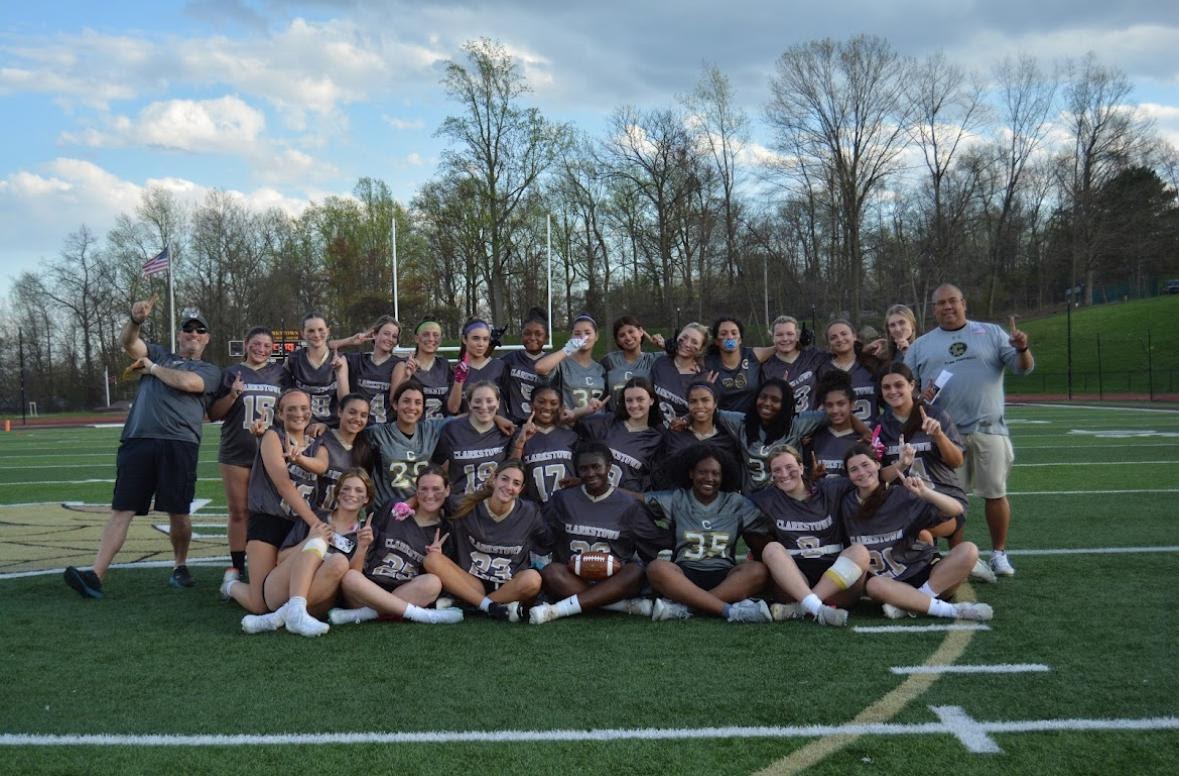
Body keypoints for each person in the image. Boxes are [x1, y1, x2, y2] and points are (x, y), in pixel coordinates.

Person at [65, 299, 221, 598]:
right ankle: (95, 576)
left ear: (207, 338)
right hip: (138, 439)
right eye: (188, 330)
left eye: (199, 330)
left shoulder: (211, 370)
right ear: (180, 335)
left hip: (180, 443)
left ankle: (180, 565)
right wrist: (135, 321)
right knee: (122, 509)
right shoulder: (161, 352)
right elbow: (129, 344)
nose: (193, 334)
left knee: (178, 511)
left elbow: (189, 383)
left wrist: (152, 369)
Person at [904, 283, 1034, 577]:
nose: (947, 307)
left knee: (995, 492)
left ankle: (999, 553)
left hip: (989, 429)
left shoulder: (991, 333)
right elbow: (905, 386)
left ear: (964, 303)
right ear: (933, 309)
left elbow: (1022, 368)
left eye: (952, 301)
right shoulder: (922, 344)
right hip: (943, 436)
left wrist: (1023, 348)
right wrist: (919, 398)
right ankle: (950, 558)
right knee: (944, 501)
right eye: (940, 303)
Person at [838, 443, 993, 621]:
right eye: (854, 469)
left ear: (878, 465)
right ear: (848, 476)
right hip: (888, 584)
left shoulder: (899, 495)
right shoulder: (844, 503)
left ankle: (913, 603)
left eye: (866, 465)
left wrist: (926, 493)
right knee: (874, 586)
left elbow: (956, 509)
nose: (862, 472)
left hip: (925, 575)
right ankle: (950, 610)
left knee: (969, 550)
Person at [220, 388, 332, 632]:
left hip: (297, 525)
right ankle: (230, 586)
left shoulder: (318, 443)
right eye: (291, 409)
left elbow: (322, 466)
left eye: (303, 408)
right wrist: (315, 522)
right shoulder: (273, 437)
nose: (298, 413)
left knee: (282, 593)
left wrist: (300, 459)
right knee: (260, 605)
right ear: (280, 414)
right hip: (269, 521)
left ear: (311, 411)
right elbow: (283, 485)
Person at [639, 446, 773, 623]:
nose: (709, 478)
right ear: (691, 473)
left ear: (723, 476)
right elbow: (634, 499)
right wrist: (604, 490)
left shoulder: (737, 503)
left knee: (758, 570)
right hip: (683, 573)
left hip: (724, 575)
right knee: (657, 568)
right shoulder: (676, 499)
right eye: (702, 472)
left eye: (715, 473)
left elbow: (767, 530)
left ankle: (686, 607)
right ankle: (730, 610)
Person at [239, 468, 377, 637]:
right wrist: (308, 540)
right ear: (338, 493)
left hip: (320, 600)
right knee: (317, 542)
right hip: (281, 588)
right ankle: (289, 611)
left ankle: (280, 617)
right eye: (346, 488)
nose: (351, 494)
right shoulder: (315, 517)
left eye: (358, 490)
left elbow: (353, 580)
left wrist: (362, 547)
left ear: (366, 499)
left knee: (339, 561)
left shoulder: (364, 532)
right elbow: (281, 559)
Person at [529, 441, 655, 624]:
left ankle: (557, 610)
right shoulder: (562, 499)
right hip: (572, 578)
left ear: (609, 467)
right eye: (584, 469)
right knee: (551, 572)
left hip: (614, 580)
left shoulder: (628, 505)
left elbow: (653, 543)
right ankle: (618, 606)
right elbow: (546, 540)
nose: (590, 474)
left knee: (635, 571)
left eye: (596, 467)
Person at [327, 466, 464, 625]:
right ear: (416, 491)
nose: (429, 495)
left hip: (404, 591)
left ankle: (364, 615)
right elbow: (357, 570)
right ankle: (423, 615)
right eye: (424, 489)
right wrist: (362, 546)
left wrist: (435, 560)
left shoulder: (445, 531)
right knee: (350, 577)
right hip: (365, 588)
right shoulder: (394, 509)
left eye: (436, 489)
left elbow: (438, 579)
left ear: (447, 490)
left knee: (433, 582)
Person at [750, 445, 868, 626]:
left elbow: (871, 478)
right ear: (771, 475)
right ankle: (817, 608)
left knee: (860, 551)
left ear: (801, 467)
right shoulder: (765, 499)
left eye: (789, 467)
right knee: (771, 549)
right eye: (777, 470)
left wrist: (900, 465)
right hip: (794, 580)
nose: (784, 473)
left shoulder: (828, 488)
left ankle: (803, 608)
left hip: (835, 579)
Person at [422, 459, 551, 621]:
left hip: (508, 585)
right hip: (472, 583)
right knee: (432, 559)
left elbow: (547, 541)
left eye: (516, 483)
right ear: (494, 479)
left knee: (533, 579)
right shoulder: (465, 504)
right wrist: (408, 504)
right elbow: (434, 498)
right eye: (504, 479)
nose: (509, 486)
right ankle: (490, 607)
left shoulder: (529, 512)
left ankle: (474, 606)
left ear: (521, 489)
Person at [207, 326, 286, 578]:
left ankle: (269, 561)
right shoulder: (231, 373)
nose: (261, 349)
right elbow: (213, 414)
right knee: (239, 511)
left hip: (270, 452)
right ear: (246, 344)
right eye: (256, 344)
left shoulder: (280, 373)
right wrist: (232, 395)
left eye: (266, 345)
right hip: (237, 451)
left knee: (272, 509)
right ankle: (237, 565)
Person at [431, 381, 517, 504]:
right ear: (469, 404)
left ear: (498, 403)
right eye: (477, 401)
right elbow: (437, 466)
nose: (483, 406)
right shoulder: (451, 430)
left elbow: (513, 469)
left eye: (489, 401)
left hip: (493, 504)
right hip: (460, 504)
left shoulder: (507, 432)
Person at [576, 377, 664, 492]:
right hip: (593, 498)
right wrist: (584, 411)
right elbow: (567, 423)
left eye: (640, 399)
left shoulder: (656, 439)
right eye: (629, 400)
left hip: (625, 504)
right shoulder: (608, 421)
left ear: (651, 400)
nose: (634, 405)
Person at [512, 385, 578, 504]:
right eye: (541, 401)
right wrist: (520, 444)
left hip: (566, 508)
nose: (547, 407)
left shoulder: (571, 436)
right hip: (532, 509)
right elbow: (509, 471)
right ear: (531, 404)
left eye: (553, 403)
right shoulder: (519, 435)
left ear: (561, 407)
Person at [332, 315, 402, 425]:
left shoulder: (398, 364)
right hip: (357, 426)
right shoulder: (356, 360)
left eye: (394, 336)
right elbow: (322, 346)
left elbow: (395, 402)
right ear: (374, 334)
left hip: (383, 428)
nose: (390, 339)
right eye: (386, 333)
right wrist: (351, 340)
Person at [535, 312, 606, 417]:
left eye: (587, 333)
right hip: (569, 426)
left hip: (597, 427)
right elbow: (540, 367)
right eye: (577, 334)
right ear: (571, 336)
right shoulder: (562, 365)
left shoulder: (600, 369)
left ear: (596, 336)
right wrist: (566, 350)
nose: (583, 337)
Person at [285, 312, 345, 427]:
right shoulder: (293, 359)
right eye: (311, 331)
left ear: (328, 331)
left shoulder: (340, 359)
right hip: (301, 427)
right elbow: (284, 395)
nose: (317, 335)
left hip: (331, 427)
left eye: (321, 329)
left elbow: (345, 400)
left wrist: (339, 373)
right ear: (303, 333)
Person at [815, 319, 881, 424]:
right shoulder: (822, 370)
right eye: (833, 337)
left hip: (870, 434)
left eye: (844, 334)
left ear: (854, 336)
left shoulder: (871, 364)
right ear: (828, 344)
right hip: (837, 436)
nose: (840, 339)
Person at [760, 315, 827, 415]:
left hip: (813, 421)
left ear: (798, 336)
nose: (785, 338)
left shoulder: (812, 356)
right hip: (784, 424)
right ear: (772, 338)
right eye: (779, 335)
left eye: (790, 334)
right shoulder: (766, 368)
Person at [599, 315, 665, 409]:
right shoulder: (609, 361)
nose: (628, 337)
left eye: (631, 331)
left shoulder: (655, 359)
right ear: (617, 341)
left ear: (641, 331)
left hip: (647, 420)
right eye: (622, 335)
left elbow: (685, 355)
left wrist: (664, 345)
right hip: (615, 420)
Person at [649, 322, 709, 424]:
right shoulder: (660, 363)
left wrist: (685, 420)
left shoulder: (703, 376)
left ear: (701, 349)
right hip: (657, 431)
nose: (687, 343)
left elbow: (706, 411)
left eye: (694, 342)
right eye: (684, 337)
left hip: (687, 435)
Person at [391, 320, 451, 420]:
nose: (431, 339)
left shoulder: (445, 365)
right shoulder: (403, 365)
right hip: (414, 429)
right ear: (416, 338)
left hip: (440, 428)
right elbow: (393, 402)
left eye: (435, 335)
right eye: (426, 334)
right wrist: (407, 376)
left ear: (440, 340)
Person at [499, 307, 551, 423]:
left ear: (546, 337)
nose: (532, 338)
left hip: (544, 425)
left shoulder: (552, 361)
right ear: (521, 335)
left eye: (538, 334)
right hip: (516, 424)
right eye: (527, 333)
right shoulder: (510, 359)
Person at [446, 318, 505, 415]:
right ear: (464, 339)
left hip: (496, 429)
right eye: (476, 338)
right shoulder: (456, 370)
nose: (481, 344)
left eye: (485, 339)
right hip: (467, 428)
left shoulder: (500, 367)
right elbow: (453, 409)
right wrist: (459, 380)